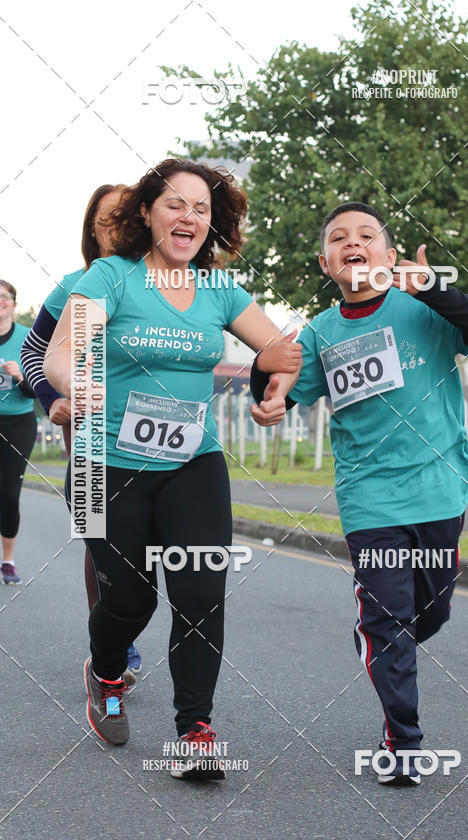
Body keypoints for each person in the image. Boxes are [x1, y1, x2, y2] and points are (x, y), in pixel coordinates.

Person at [43, 158, 299, 780]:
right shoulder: (111, 277)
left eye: (202, 208)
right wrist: (75, 386)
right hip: (104, 462)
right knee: (128, 600)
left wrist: (277, 390)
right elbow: (59, 352)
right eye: (176, 204)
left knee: (201, 591)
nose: (189, 216)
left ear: (212, 224)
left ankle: (196, 729)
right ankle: (105, 671)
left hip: (193, 461)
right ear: (147, 214)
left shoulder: (219, 290)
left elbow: (277, 346)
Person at [250, 202, 468, 786]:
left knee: (425, 617)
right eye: (338, 238)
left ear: (389, 254)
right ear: (326, 262)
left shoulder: (423, 308)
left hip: (440, 491)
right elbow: (282, 386)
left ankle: (381, 632)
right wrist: (267, 394)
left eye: (366, 236)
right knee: (391, 621)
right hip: (370, 499)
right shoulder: (321, 333)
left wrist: (433, 287)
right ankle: (404, 740)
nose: (352, 243)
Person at [20, 184, 142, 684]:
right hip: (91, 441)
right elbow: (33, 353)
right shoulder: (81, 284)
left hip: (158, 442)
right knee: (103, 544)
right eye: (104, 217)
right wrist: (56, 401)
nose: (115, 225)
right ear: (92, 227)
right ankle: (116, 652)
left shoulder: (164, 282)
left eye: (125, 215)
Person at [0, 280, 38, 585]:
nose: (0, 301)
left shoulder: (28, 338)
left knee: (8, 494)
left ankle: (8, 561)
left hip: (18, 423)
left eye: (5, 296)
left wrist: (21, 376)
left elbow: (37, 390)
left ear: (14, 302)